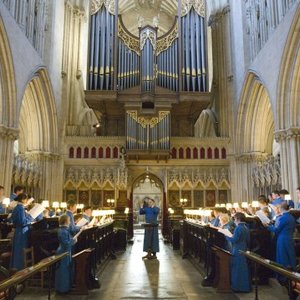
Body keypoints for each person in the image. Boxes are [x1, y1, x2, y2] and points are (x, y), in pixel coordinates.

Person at [267, 202, 296, 283]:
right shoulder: (291, 217)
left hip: (282, 239)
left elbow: (276, 229)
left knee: (282, 256)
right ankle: (293, 274)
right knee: (290, 255)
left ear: (281, 208)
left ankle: (283, 277)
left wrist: (268, 226)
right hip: (289, 238)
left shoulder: (283, 218)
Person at [225, 212, 251, 293]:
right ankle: (245, 287)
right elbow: (248, 240)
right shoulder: (245, 227)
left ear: (238, 219)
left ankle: (237, 287)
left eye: (235, 219)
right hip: (243, 248)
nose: (234, 221)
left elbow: (234, 240)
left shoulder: (238, 228)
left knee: (237, 269)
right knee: (243, 269)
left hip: (237, 249)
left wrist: (226, 236)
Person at [10, 193, 34, 270]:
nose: (28, 201)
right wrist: (30, 218)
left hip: (20, 231)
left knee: (19, 250)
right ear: (23, 200)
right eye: (27, 200)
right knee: (20, 251)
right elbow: (22, 222)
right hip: (21, 232)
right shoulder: (20, 208)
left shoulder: (18, 207)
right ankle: (19, 269)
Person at [55, 214, 77, 294]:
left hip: (66, 251)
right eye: (69, 220)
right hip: (63, 252)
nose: (70, 222)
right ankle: (62, 289)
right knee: (63, 271)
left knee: (66, 270)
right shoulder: (62, 231)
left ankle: (66, 287)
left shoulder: (64, 230)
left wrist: (73, 240)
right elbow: (66, 243)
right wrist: (73, 241)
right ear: (66, 221)